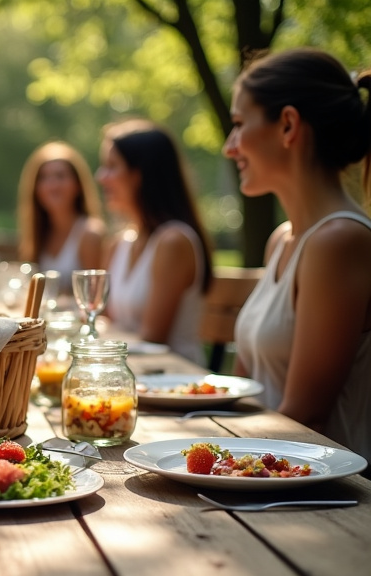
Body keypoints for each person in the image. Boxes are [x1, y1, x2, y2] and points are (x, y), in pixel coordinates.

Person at [224, 48, 371, 461]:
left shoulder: (339, 241)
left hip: (327, 498)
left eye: (238, 125)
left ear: (288, 125)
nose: (229, 147)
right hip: (267, 473)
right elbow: (244, 391)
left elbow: (307, 416)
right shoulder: (283, 240)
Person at [96, 119, 213, 365]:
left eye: (112, 166)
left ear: (139, 175)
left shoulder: (173, 241)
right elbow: (100, 319)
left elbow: (153, 340)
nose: (101, 177)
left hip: (177, 385)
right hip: (129, 377)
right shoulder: (120, 243)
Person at [16, 141, 106, 295]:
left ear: (77, 184)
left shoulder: (90, 233)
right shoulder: (38, 232)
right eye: (43, 178)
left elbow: (95, 298)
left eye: (60, 176)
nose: (52, 185)